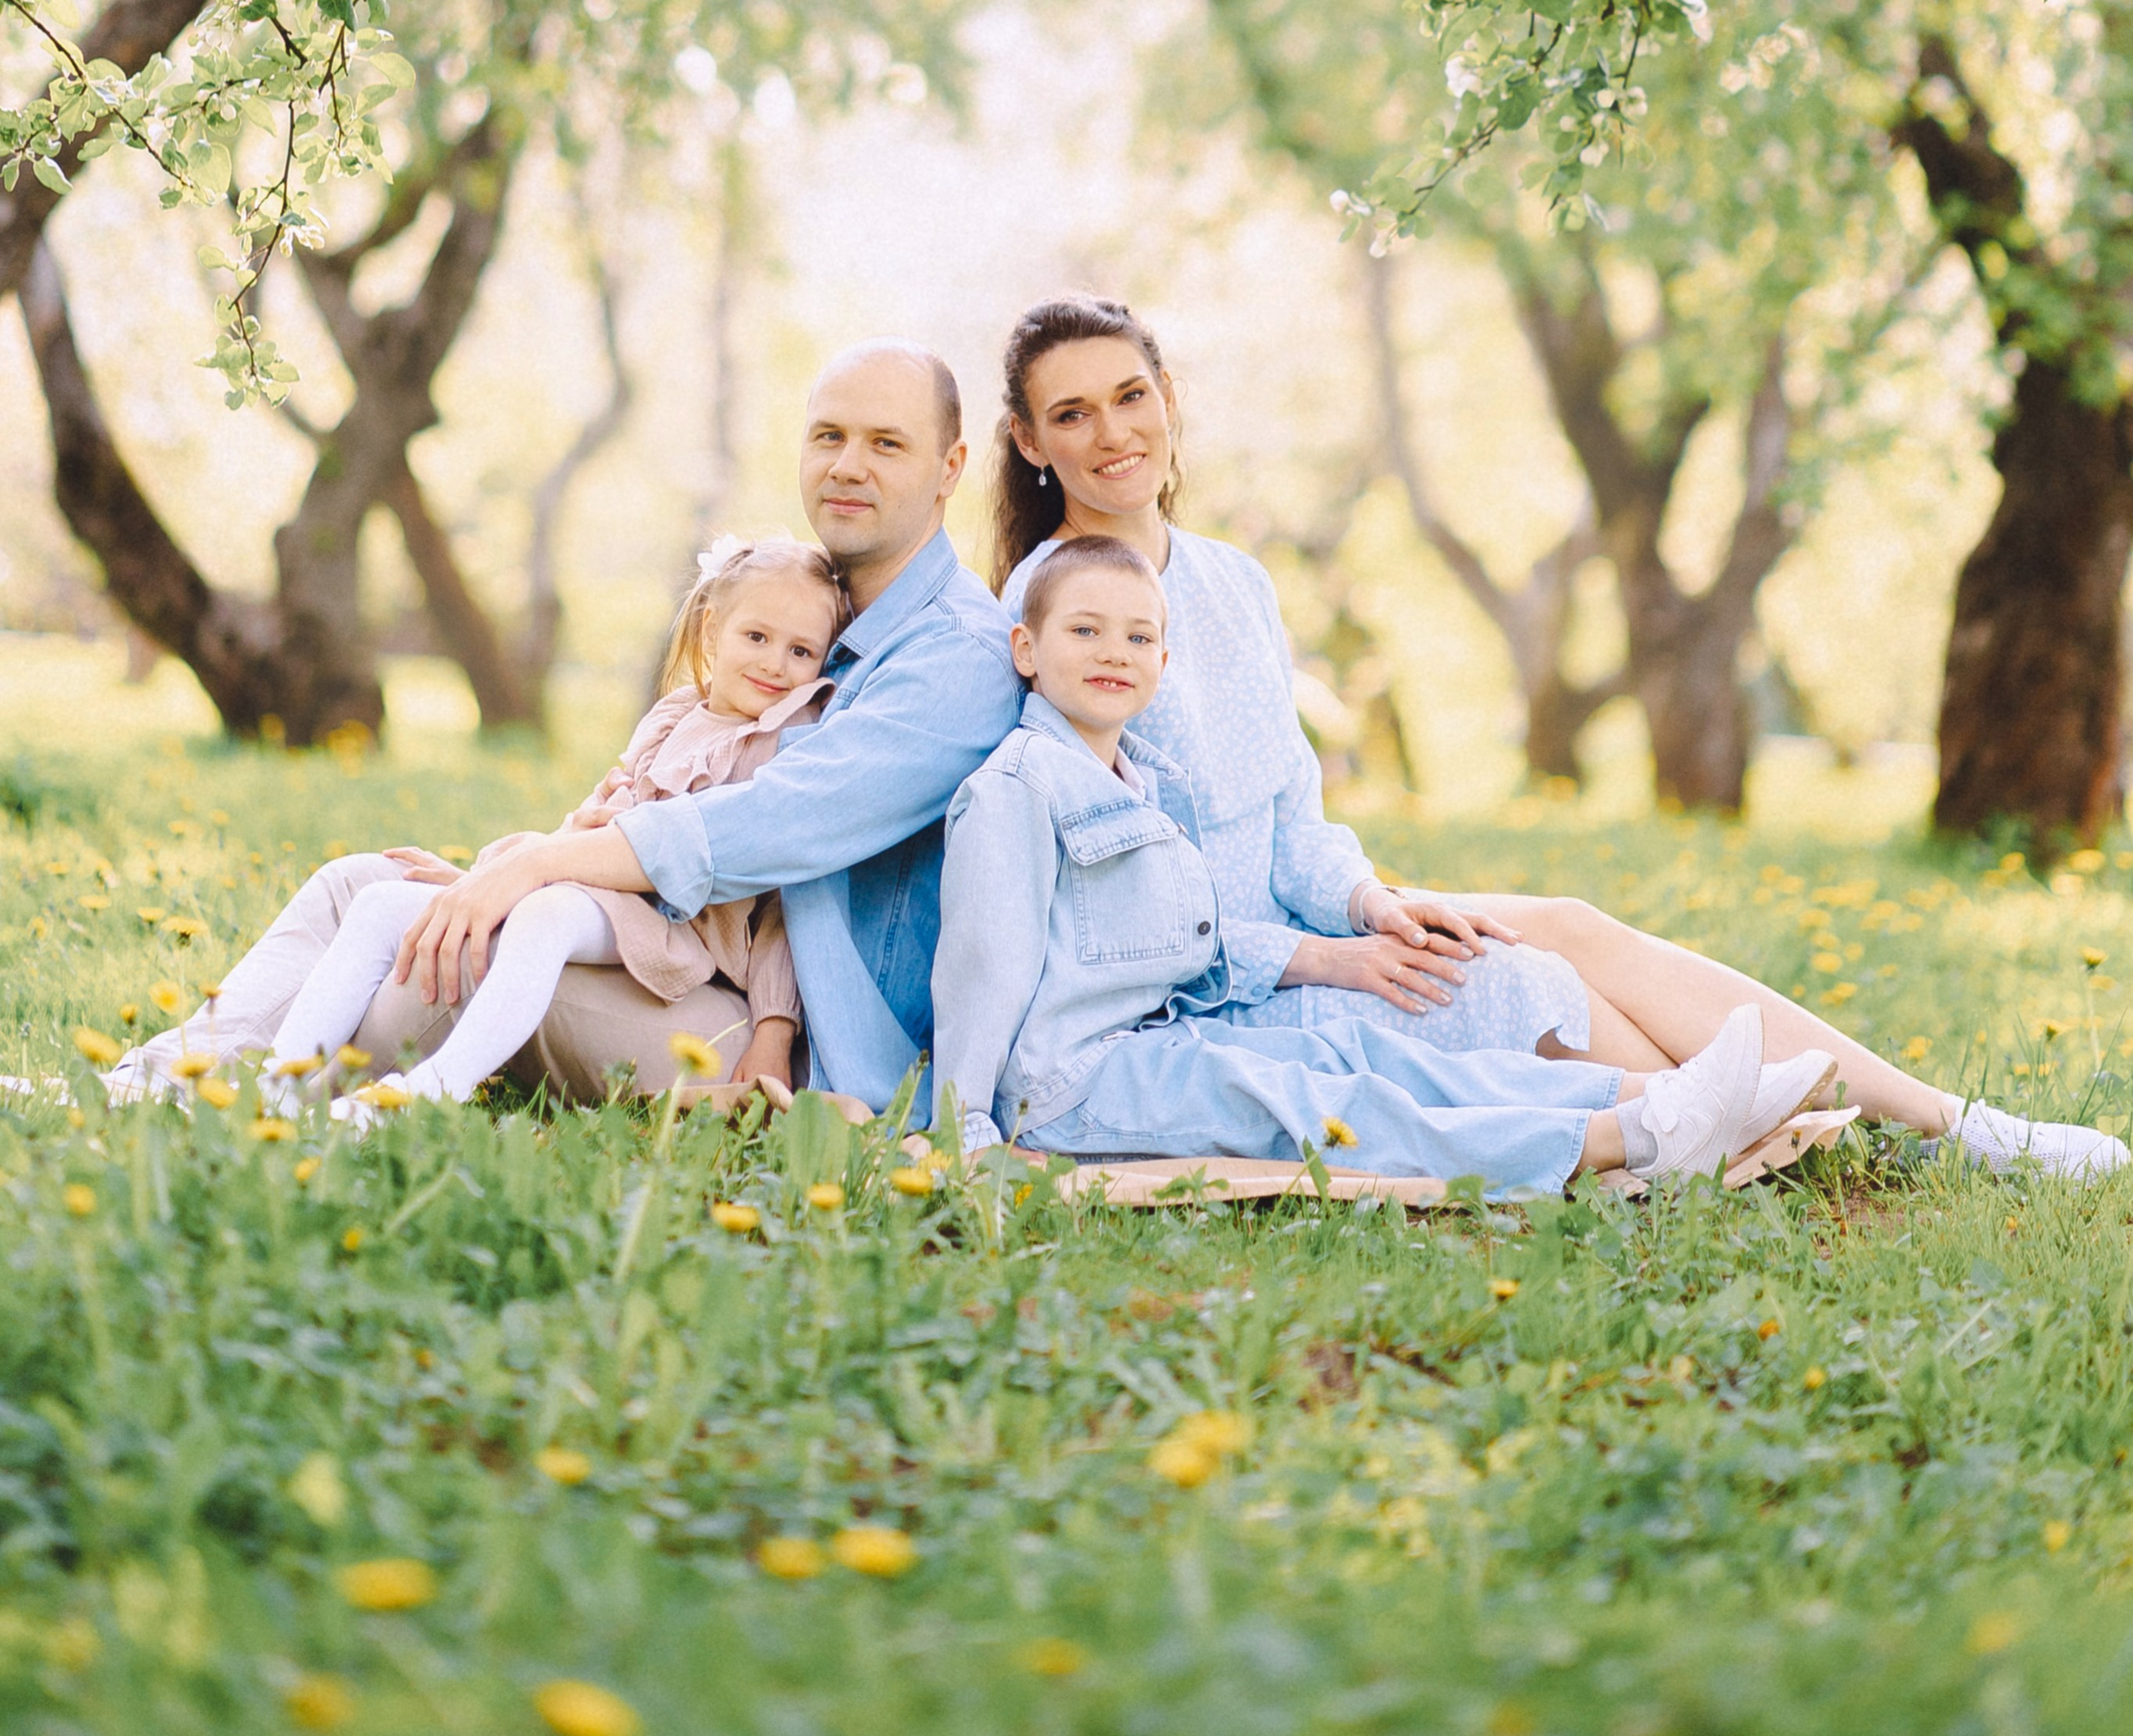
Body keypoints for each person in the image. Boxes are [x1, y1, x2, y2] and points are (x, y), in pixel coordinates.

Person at [990, 292, 2129, 1182]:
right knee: (1524, 987)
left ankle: (1952, 1120)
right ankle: (1802, 1128)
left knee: (1566, 925)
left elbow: (1298, 820)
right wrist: (1337, 956)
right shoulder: (1058, 618)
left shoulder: (1232, 582)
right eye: (1072, 414)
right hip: (1217, 984)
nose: (1111, 434)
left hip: (1314, 920)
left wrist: (1375, 906)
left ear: (1168, 398)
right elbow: (1124, 910)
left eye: (1129, 396)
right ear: (1031, 442)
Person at [112, 345, 1021, 1115]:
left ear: (949, 469)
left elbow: (758, 828)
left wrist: (527, 871)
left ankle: (266, 1100)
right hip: (675, 963)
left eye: (886, 444)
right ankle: (145, 1079)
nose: (847, 464)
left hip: (788, 1049)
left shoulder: (955, 658)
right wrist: (506, 869)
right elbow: (648, 794)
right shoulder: (812, 610)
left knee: (477, 946)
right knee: (369, 884)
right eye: (828, 435)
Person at [934, 536, 1836, 1188]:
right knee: (1324, 1104)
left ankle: (1675, 1097)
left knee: (1369, 1055)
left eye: (1137, 638)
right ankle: (1626, 1140)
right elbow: (982, 966)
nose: (1112, 653)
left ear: (1163, 663)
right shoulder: (1019, 788)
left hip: (1163, 1038)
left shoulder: (1141, 783)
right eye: (1084, 631)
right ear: (1026, 648)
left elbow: (1174, 949)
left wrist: (1333, 938)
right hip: (1069, 1088)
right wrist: (965, 1129)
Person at [256, 538, 841, 1123]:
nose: (775, 664)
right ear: (712, 631)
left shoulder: (786, 741)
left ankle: (428, 1093)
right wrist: (490, 881)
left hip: (680, 935)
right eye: (757, 637)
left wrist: (773, 1027)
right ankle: (275, 1089)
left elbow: (783, 912)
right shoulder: (675, 715)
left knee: (546, 915)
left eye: (801, 650)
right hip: (598, 896)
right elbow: (589, 819)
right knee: (382, 903)